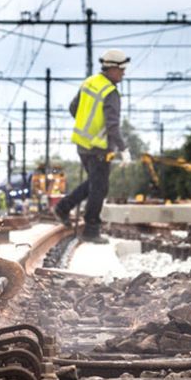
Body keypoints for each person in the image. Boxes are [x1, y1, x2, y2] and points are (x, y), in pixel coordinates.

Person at [54, 49, 131, 243]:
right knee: (99, 187)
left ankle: (64, 207)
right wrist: (123, 149)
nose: (123, 73)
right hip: (99, 148)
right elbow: (113, 125)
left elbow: (73, 108)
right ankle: (91, 229)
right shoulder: (110, 92)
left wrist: (84, 125)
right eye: (121, 69)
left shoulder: (89, 82)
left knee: (94, 183)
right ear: (111, 68)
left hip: (82, 144)